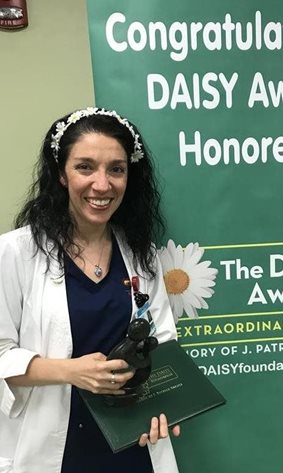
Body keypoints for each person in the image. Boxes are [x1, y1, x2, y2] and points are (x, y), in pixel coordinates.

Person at [0, 107, 180, 473]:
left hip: (133, 441)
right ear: (62, 175)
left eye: (116, 169)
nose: (102, 184)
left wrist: (166, 407)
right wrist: (71, 372)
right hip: (57, 447)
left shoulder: (139, 254)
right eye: (85, 167)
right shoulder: (15, 253)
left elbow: (161, 343)